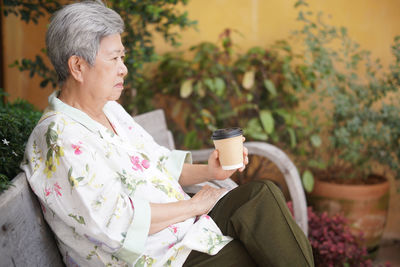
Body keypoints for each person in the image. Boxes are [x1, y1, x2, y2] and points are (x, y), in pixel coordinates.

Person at [21, 1, 314, 266]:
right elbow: (117, 224)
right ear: (78, 66)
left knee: (261, 196)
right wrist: (194, 205)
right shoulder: (59, 137)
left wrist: (211, 171)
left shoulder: (110, 110)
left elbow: (158, 163)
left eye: (122, 58)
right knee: (262, 253)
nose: (123, 69)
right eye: (114, 59)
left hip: (186, 233)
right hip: (158, 257)